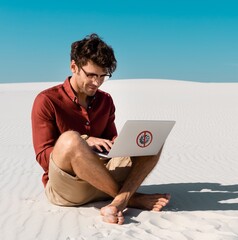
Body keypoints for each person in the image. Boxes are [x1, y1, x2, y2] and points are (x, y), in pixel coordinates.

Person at [31, 33, 170, 225]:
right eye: (91, 75)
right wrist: (84, 141)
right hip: (69, 187)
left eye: (103, 76)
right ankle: (131, 198)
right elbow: (43, 157)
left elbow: (110, 140)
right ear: (74, 67)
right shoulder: (47, 100)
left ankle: (118, 201)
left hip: (101, 178)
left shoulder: (105, 100)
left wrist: (118, 143)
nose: (97, 82)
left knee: (153, 139)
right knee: (71, 139)